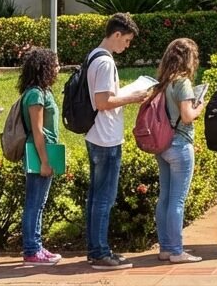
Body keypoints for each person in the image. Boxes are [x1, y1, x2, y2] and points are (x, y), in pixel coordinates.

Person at [84, 14, 150, 270]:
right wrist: (132, 97)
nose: (127, 45)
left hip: (96, 134)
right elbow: (102, 102)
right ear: (116, 35)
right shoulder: (105, 62)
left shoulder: (93, 56)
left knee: (96, 196)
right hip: (106, 136)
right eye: (127, 40)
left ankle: (95, 248)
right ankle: (100, 252)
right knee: (104, 197)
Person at [154, 38, 206, 264]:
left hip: (162, 144)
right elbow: (186, 116)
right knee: (177, 200)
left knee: (164, 197)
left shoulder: (163, 81)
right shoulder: (182, 83)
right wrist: (199, 106)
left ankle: (165, 247)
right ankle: (176, 250)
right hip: (180, 144)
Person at [17, 47, 64, 266]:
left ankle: (36, 246)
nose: (58, 68)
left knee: (39, 202)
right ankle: (31, 249)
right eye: (54, 65)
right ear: (44, 67)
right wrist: (44, 161)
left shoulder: (43, 92)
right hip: (38, 153)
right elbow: (37, 132)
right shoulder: (35, 94)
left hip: (47, 151)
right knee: (34, 203)